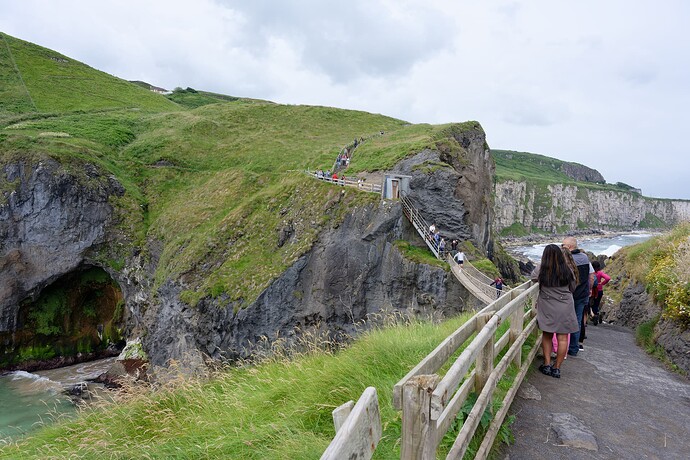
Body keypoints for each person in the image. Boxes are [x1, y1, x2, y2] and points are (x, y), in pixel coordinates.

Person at [531, 244, 579, 378]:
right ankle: (556, 368)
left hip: (547, 304)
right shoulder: (567, 269)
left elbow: (533, 277)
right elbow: (573, 286)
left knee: (547, 335)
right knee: (562, 337)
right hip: (565, 305)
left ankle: (546, 364)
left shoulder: (542, 268)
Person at [562, 237, 595, 356]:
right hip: (582, 294)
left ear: (569, 247)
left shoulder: (565, 259)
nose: (561, 247)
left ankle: (561, 348)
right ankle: (573, 348)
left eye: (563, 245)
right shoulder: (585, 258)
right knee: (577, 320)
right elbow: (591, 277)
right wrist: (589, 289)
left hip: (568, 294)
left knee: (563, 320)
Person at [591, 261, 611, 325]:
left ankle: (594, 316)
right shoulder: (600, 273)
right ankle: (597, 314)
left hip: (592, 290)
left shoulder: (591, 273)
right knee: (596, 304)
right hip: (599, 290)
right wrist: (602, 283)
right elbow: (608, 278)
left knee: (590, 304)